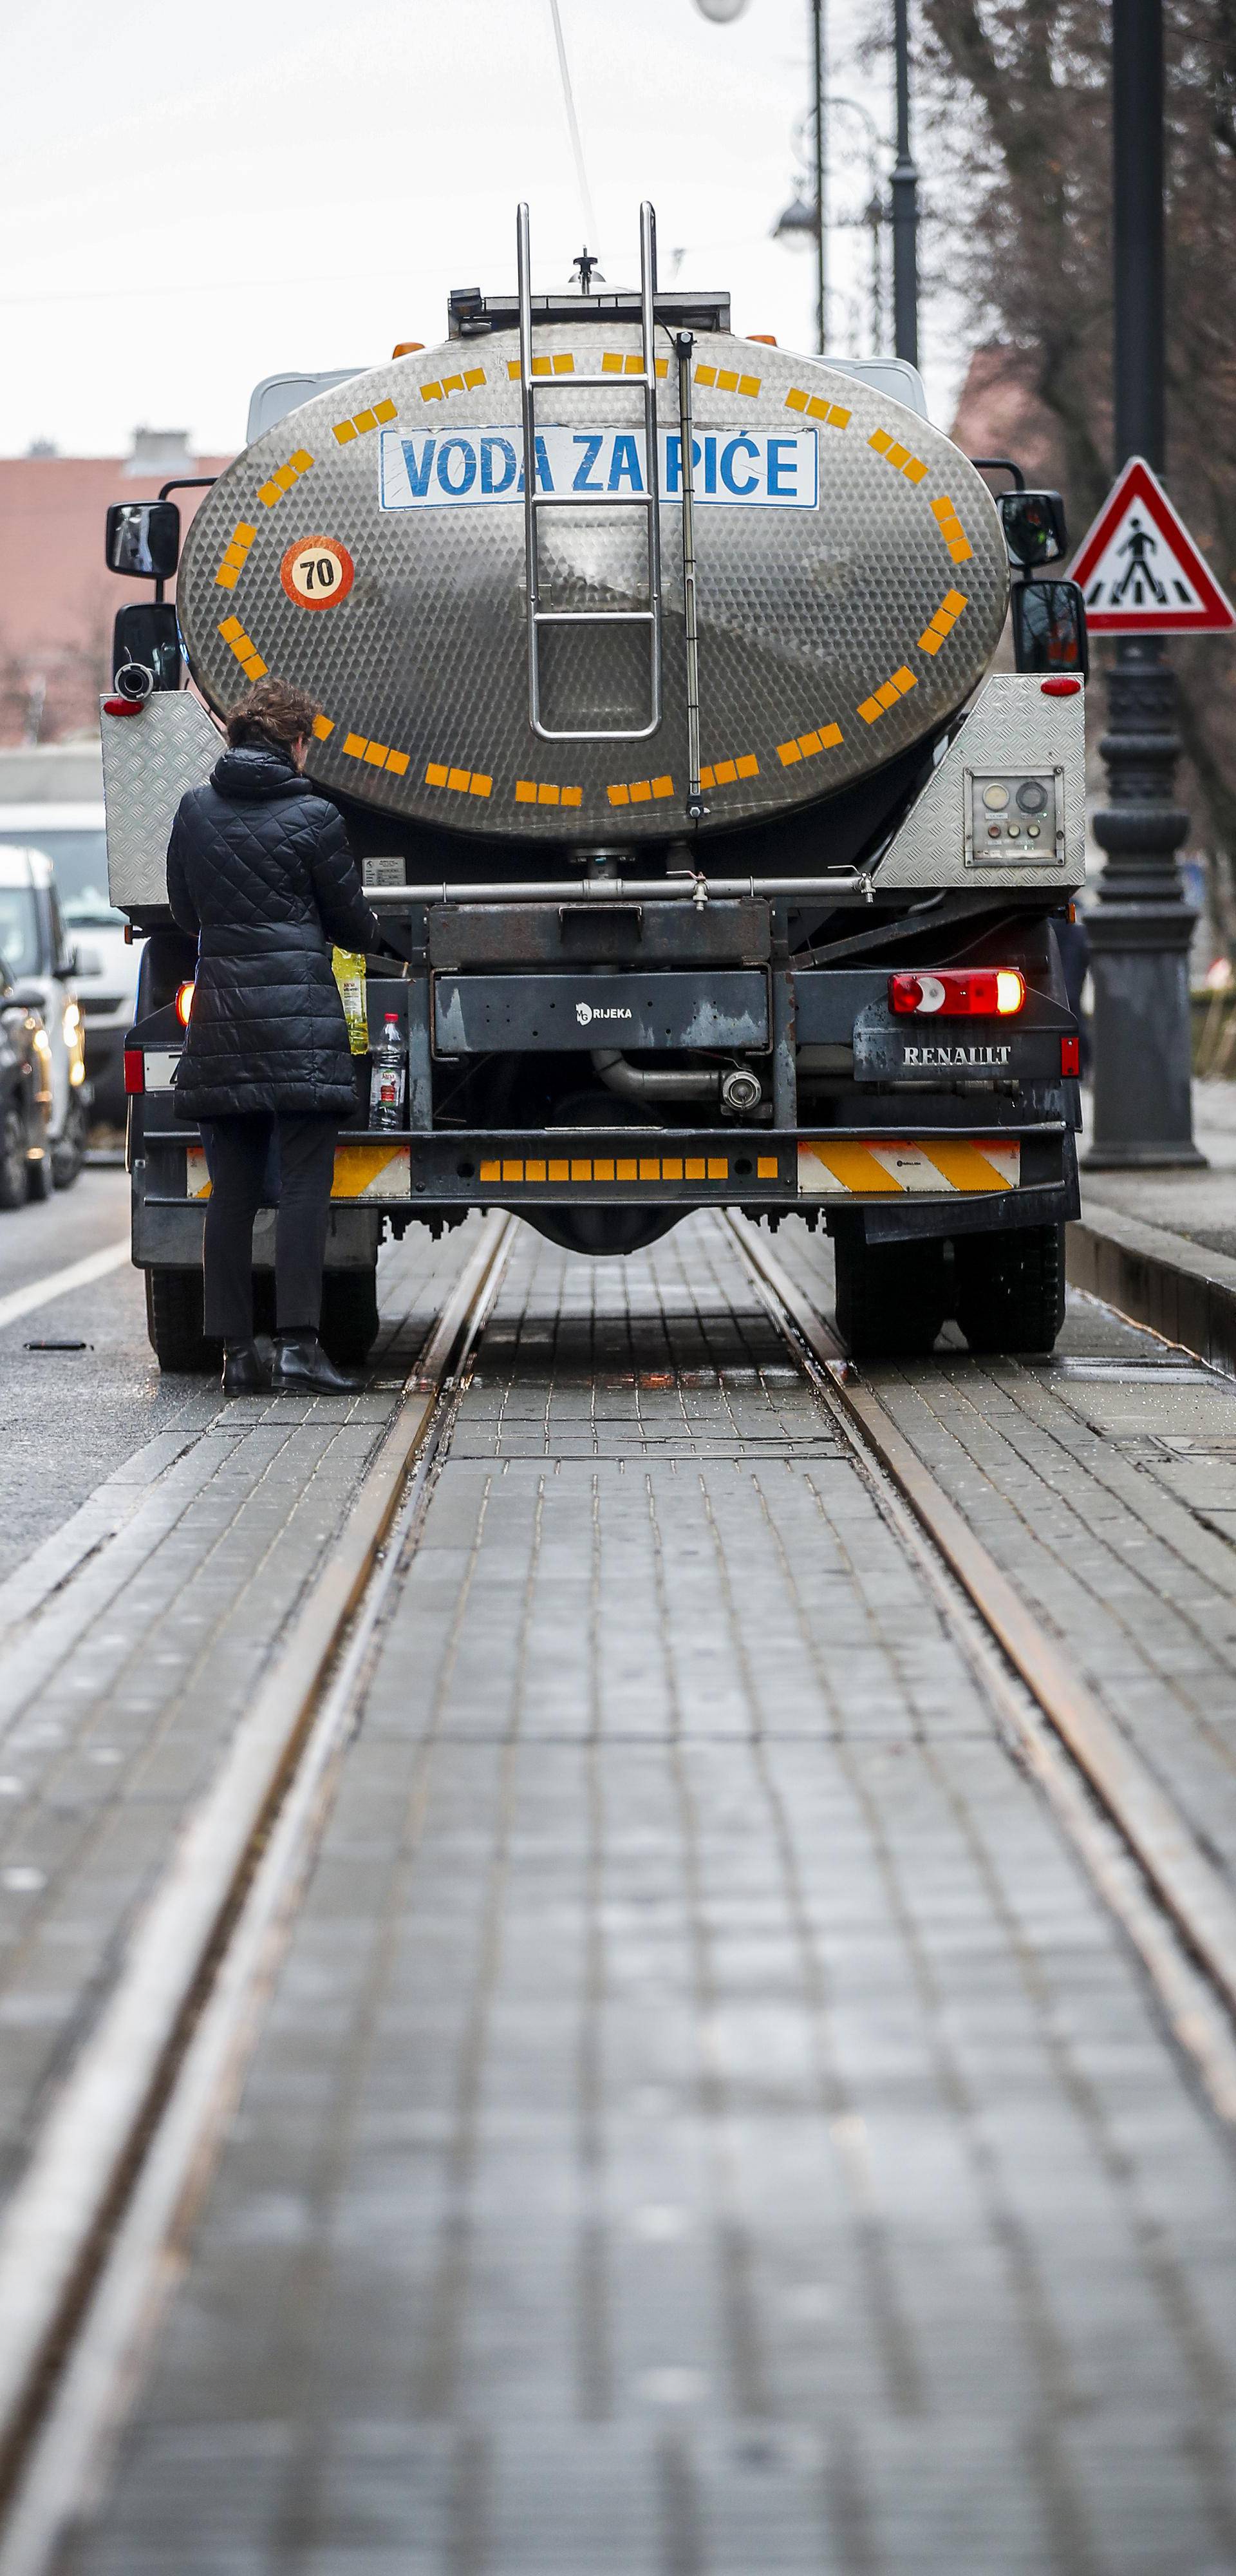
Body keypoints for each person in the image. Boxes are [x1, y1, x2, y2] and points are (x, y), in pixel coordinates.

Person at [167, 676, 389, 1397]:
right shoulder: (316, 816)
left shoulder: (194, 811)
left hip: (224, 1014)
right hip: (298, 1020)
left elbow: (183, 908)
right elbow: (349, 920)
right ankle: (298, 1347)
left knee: (230, 1190)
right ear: (294, 743)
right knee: (302, 1188)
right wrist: (386, 944)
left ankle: (238, 1355)